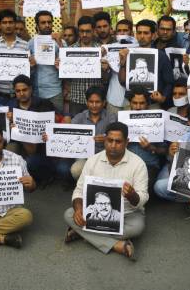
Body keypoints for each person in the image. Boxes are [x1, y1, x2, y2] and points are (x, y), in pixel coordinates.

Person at [63, 122, 148, 260]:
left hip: (128, 214)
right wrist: (79, 209)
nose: (113, 145)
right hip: (96, 214)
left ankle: (83, 233)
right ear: (105, 140)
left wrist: (133, 195)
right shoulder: (92, 161)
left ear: (127, 142)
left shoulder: (138, 164)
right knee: (69, 214)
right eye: (109, 140)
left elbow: (143, 197)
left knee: (137, 227)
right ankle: (117, 245)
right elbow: (79, 191)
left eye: (118, 141)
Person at [53, 86, 117, 181]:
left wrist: (107, 138)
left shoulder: (111, 117)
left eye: (98, 102)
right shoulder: (79, 117)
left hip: (105, 156)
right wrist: (51, 138)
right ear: (87, 102)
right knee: (76, 170)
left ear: (104, 103)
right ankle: (83, 188)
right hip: (83, 157)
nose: (94, 105)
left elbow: (116, 135)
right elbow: (66, 135)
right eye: (91, 102)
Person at [7, 75, 57, 184]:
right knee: (9, 152)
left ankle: (43, 177)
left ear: (31, 89)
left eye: (24, 90)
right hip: (19, 142)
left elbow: (58, 121)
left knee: (30, 162)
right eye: (18, 91)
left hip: (42, 145)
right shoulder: (10, 105)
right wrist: (9, 121)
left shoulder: (44, 104)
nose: (21, 93)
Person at [118, 19, 175, 109]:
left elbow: (169, 82)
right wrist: (122, 64)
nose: (142, 36)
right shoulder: (127, 53)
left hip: (152, 103)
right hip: (131, 103)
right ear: (135, 34)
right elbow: (122, 81)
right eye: (139, 33)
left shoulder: (161, 56)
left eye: (146, 33)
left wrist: (163, 98)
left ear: (153, 35)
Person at [62, 15, 110, 115]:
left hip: (95, 101)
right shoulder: (69, 50)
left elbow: (105, 80)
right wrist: (60, 67)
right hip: (76, 99)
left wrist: (105, 70)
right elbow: (66, 78)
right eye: (81, 31)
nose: (84, 34)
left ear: (93, 31)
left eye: (88, 31)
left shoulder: (102, 50)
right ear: (78, 31)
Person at [0, 9, 31, 103]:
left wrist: (32, 65)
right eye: (4, 22)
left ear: (15, 24)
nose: (8, 25)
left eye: (11, 22)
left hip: (19, 95)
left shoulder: (25, 45)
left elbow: (28, 70)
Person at [125, 87, 167, 184]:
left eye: (142, 103)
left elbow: (164, 151)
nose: (138, 107)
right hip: (126, 164)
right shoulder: (122, 120)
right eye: (135, 103)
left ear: (147, 104)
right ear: (130, 103)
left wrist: (151, 148)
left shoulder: (157, 122)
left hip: (148, 165)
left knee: (144, 186)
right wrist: (123, 143)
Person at [28, 10, 65, 113]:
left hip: (55, 92)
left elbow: (68, 65)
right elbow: (25, 69)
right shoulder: (30, 44)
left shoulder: (60, 42)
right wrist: (31, 65)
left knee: (57, 121)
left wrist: (59, 43)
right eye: (43, 23)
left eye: (49, 22)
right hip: (36, 93)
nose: (47, 25)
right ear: (37, 25)